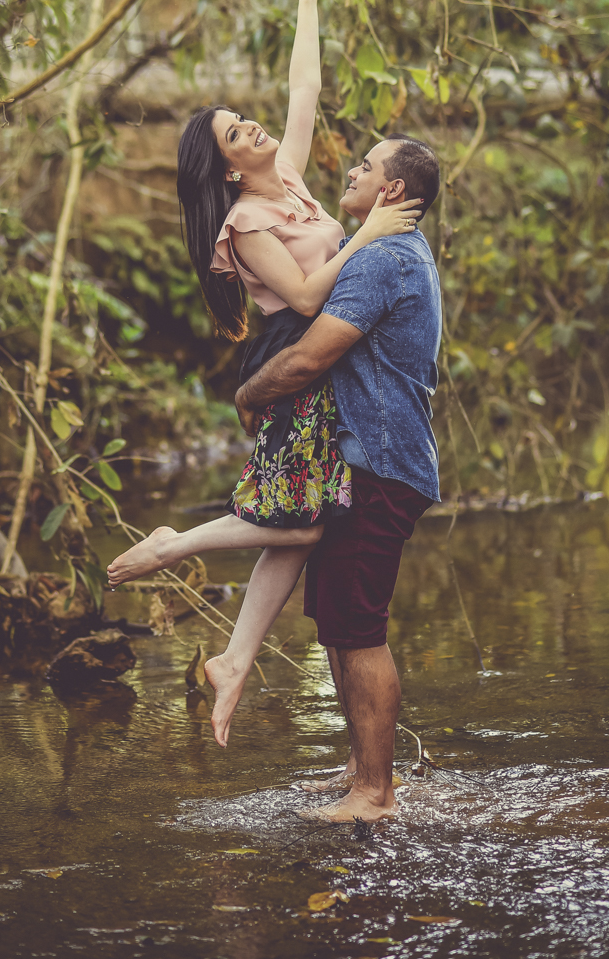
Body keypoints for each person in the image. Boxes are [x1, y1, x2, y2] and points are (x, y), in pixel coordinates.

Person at [106, 0, 422, 745]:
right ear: (225, 166)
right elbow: (310, 297)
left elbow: (303, 87)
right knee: (303, 524)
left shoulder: (291, 176)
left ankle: (237, 660)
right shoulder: (244, 223)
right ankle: (179, 543)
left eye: (241, 120)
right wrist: (371, 231)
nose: (249, 126)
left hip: (319, 366)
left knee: (300, 517)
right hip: (289, 363)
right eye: (232, 133)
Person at [234, 133, 442, 822]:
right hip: (364, 464)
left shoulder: (380, 258)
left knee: (359, 629)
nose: (349, 171)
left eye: (364, 166)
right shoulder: (390, 250)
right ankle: (360, 768)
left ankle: (375, 794)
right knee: (338, 623)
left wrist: (248, 396)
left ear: (388, 192)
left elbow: (307, 360)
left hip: (379, 465)